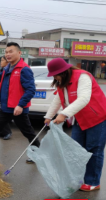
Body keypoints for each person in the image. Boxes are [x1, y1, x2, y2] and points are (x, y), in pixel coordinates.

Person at [44, 58, 106, 192]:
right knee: (75, 150)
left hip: (97, 117)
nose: (55, 77)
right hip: (79, 119)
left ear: (64, 71)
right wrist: (49, 116)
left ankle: (93, 182)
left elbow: (83, 98)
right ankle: (78, 179)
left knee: (94, 150)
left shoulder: (83, 77)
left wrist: (63, 114)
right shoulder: (62, 82)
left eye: (56, 74)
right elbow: (58, 99)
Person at [0, 56, 12, 140]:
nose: (0, 62)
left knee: (3, 116)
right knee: (1, 116)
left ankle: (7, 132)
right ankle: (3, 132)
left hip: (7, 98)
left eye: (2, 60)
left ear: (7, 62)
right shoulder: (2, 71)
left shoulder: (8, 71)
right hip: (1, 97)